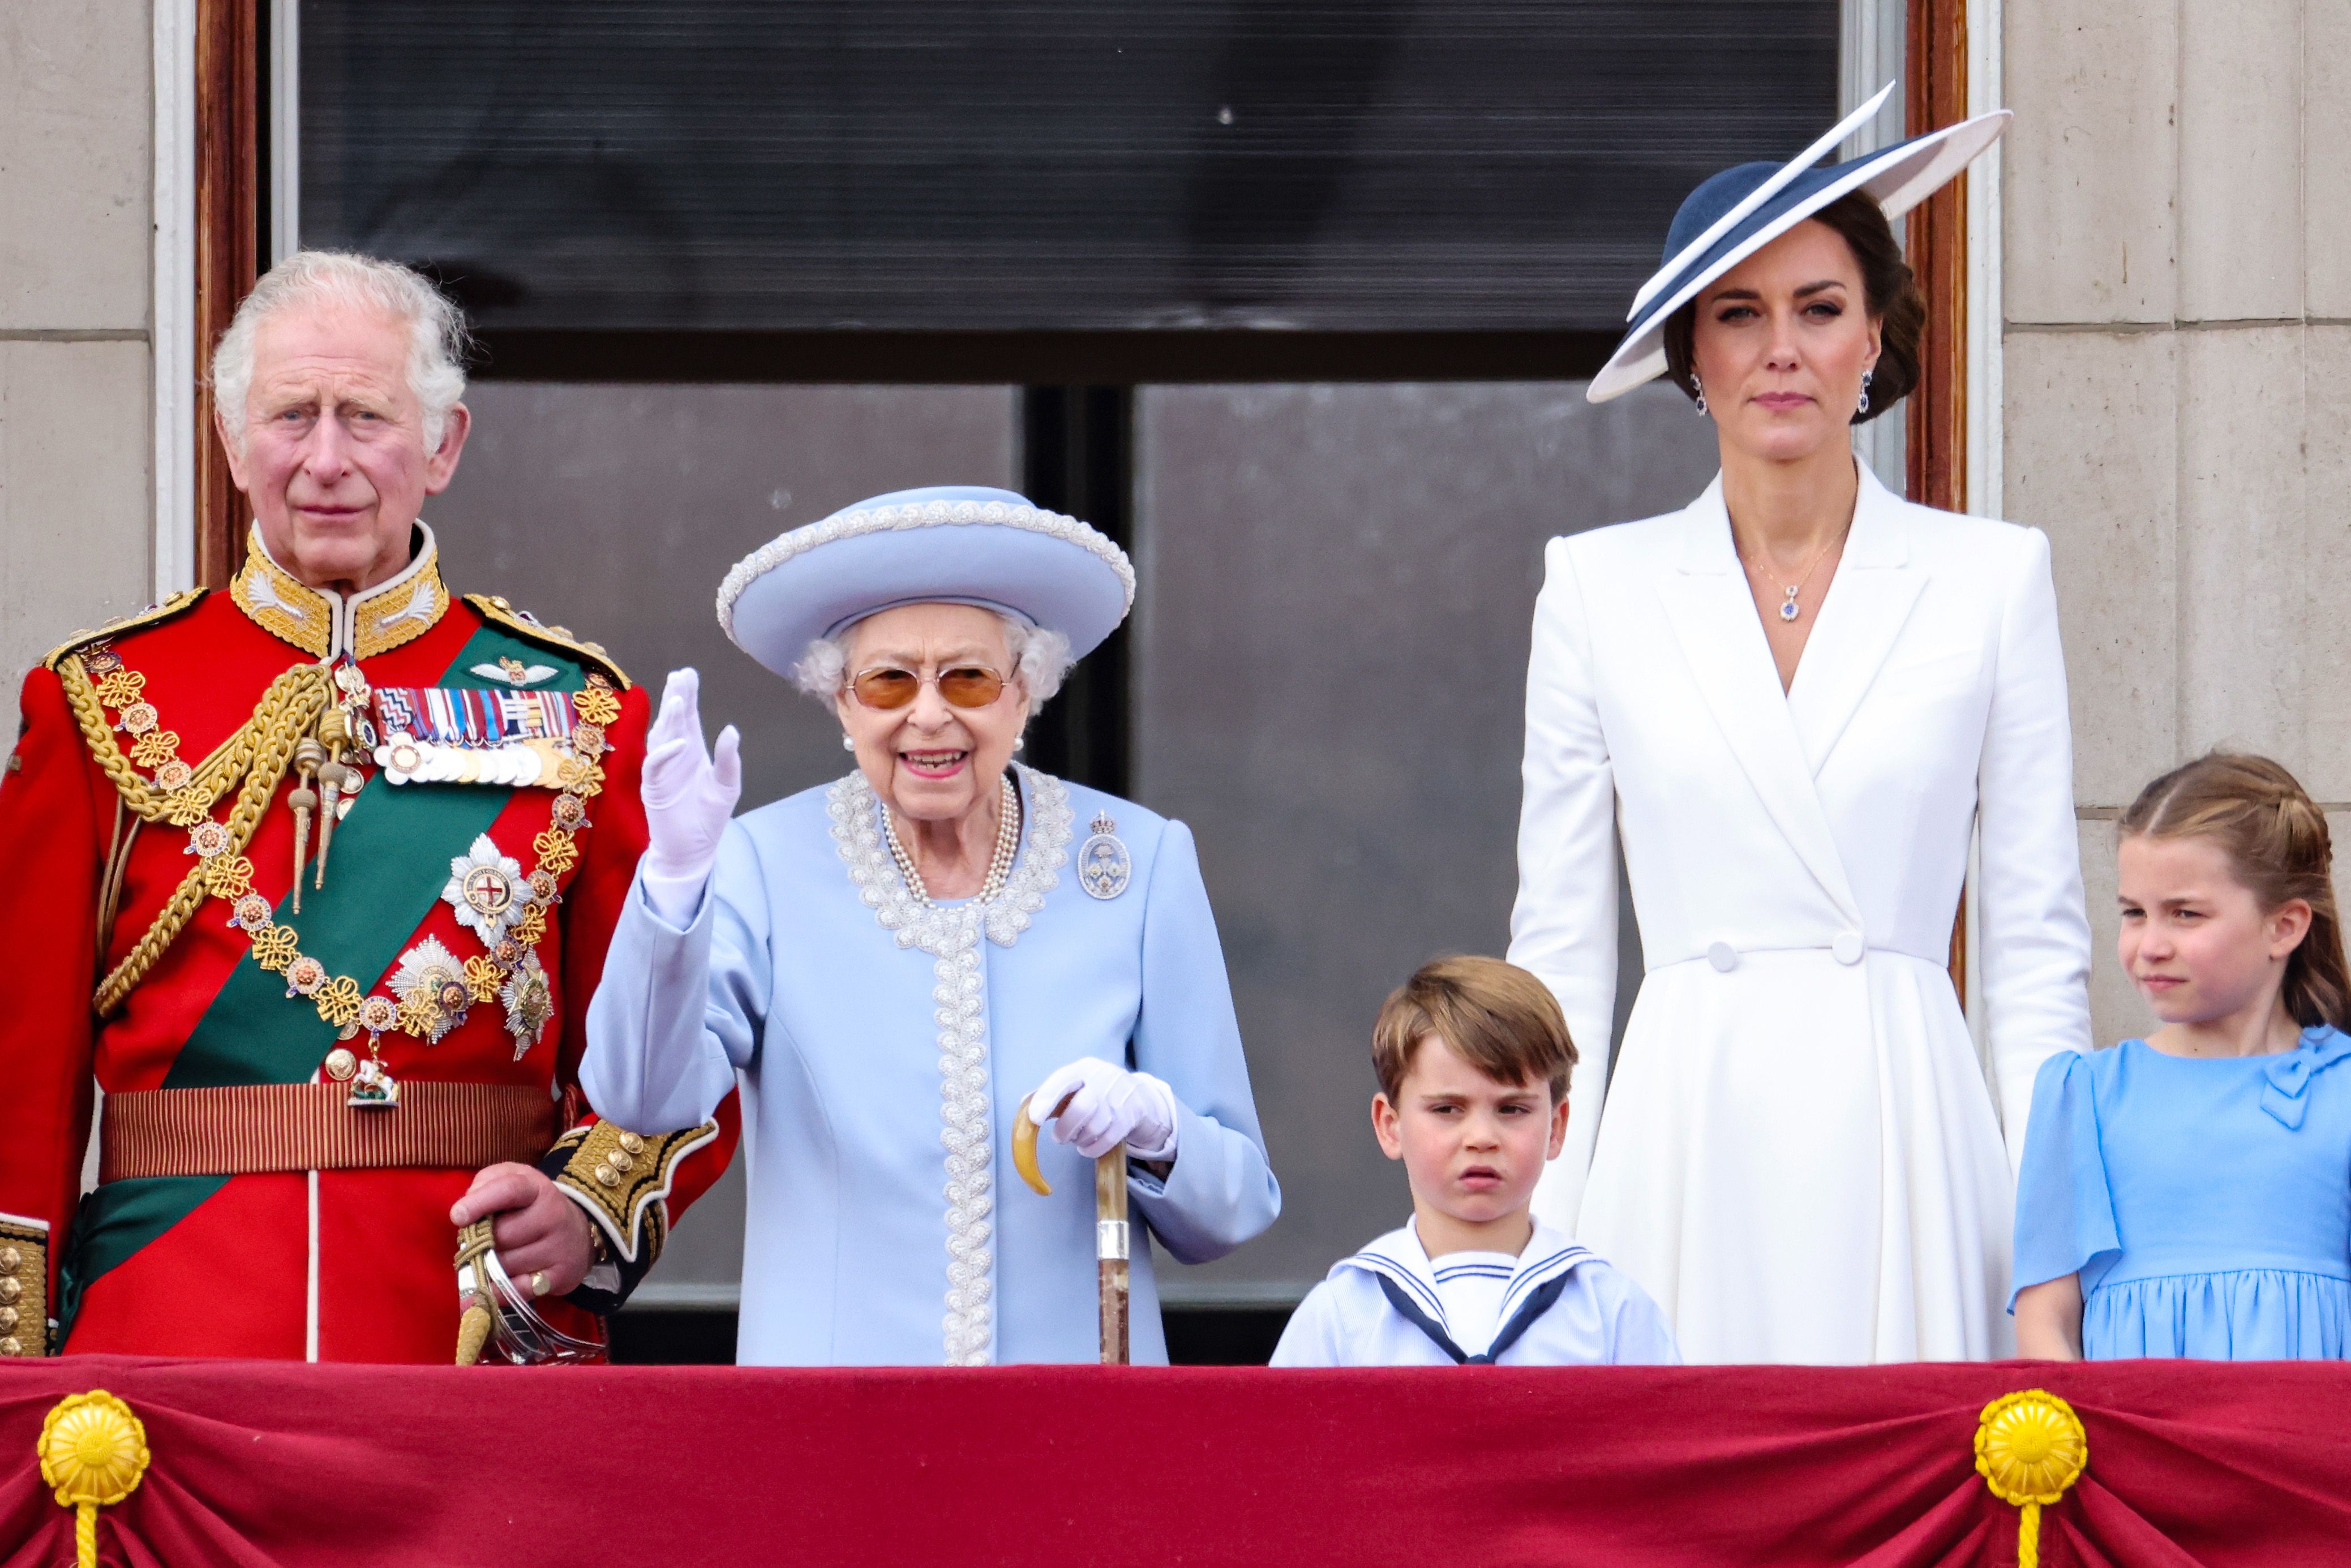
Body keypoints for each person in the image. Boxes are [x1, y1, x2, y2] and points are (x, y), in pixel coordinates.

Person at [0, 251, 733, 1363]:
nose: (327, 459)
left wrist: (583, 1213)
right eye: (291, 415)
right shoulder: (100, 696)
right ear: (233, 437)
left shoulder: (586, 711)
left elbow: (670, 1043)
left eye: (368, 416)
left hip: (467, 1330)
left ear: (443, 446)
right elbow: (19, 1070)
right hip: (166, 1333)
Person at [1509, 87, 2092, 1364]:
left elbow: (2034, 951)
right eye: (1738, 313)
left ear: (1874, 336)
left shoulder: (1992, 576)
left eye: (1819, 309)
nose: (1782, 349)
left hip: (1906, 1125)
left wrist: (2049, 1248)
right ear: (1691, 356)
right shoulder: (1594, 585)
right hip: (1684, 1127)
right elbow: (1557, 953)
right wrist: (1537, 1235)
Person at [581, 486, 1281, 1365]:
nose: (928, 714)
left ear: (1025, 691)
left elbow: (1234, 1208)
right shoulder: (759, 861)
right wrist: (675, 884)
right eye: (887, 680)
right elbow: (643, 1097)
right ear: (841, 702)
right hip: (837, 1426)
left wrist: (1160, 1128)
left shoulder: (1137, 861)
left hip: (1075, 1425)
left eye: (969, 676)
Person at [2013, 755, 2351, 1361]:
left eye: (2184, 913)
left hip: (2313, 1449)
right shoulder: (2082, 1094)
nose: (2149, 945)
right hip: (2133, 1450)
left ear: (2283, 926)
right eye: (2133, 913)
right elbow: (2047, 1326)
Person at [1271, 956, 1674, 1367]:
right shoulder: (1340, 1318)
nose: (1481, 1138)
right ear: (1390, 1125)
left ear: (1556, 1126)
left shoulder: (1615, 1314)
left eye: (1512, 1109)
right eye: (1447, 1109)